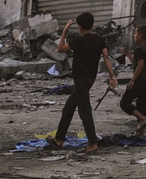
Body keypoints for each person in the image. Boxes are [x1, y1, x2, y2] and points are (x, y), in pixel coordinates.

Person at [48, 12, 119, 152]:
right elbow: (106, 57)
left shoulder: (79, 41)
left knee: (84, 111)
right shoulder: (99, 40)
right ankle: (59, 139)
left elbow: (60, 49)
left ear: (79, 26)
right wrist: (112, 76)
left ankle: (92, 143)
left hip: (80, 78)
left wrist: (64, 31)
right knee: (68, 107)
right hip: (90, 78)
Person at [119, 24, 146, 135]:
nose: (134, 35)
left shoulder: (139, 49)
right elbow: (136, 62)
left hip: (141, 80)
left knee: (124, 103)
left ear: (140, 35)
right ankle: (141, 132)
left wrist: (133, 80)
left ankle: (142, 119)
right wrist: (127, 54)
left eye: (135, 33)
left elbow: (140, 64)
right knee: (141, 104)